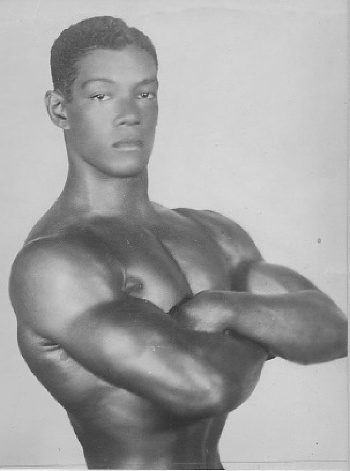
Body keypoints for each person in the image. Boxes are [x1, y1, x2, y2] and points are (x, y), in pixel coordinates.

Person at [9, 16, 347, 470]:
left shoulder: (210, 231)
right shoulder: (55, 261)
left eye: (145, 93)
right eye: (101, 95)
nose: (130, 114)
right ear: (60, 109)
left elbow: (332, 328)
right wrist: (272, 334)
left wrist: (225, 309)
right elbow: (204, 387)